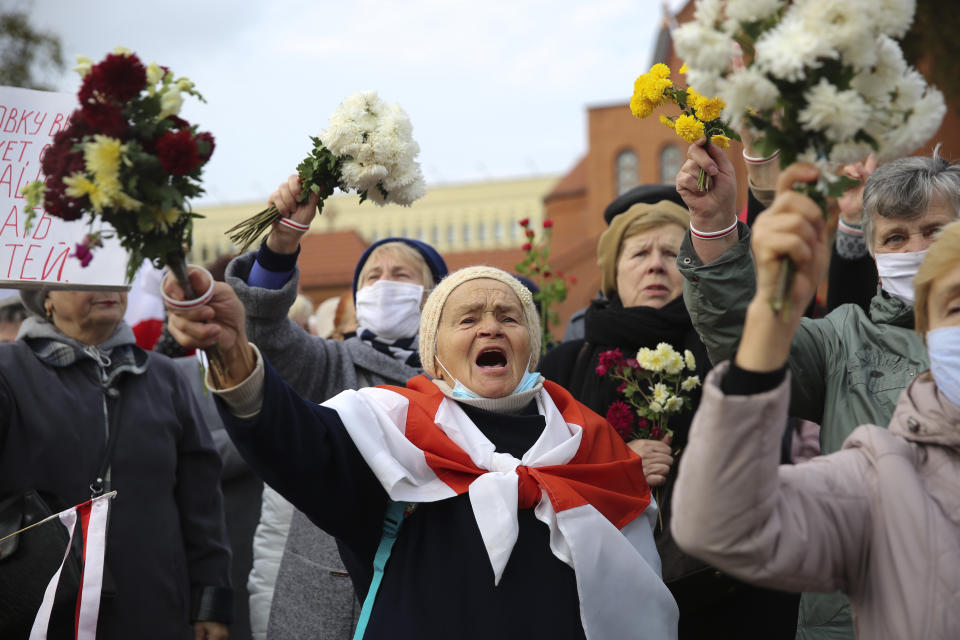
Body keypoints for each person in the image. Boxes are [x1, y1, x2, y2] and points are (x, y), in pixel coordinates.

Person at [166, 264, 678, 639]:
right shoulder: (386, 431)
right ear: (433, 353)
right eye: (467, 318)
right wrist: (232, 353)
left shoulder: (596, 448)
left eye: (508, 316)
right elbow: (294, 442)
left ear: (532, 344)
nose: (491, 327)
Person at [676, 144, 958, 638]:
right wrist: (716, 222)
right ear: (872, 254)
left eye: (935, 231)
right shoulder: (842, 340)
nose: (917, 249)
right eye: (895, 237)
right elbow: (747, 333)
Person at [540, 197, 798, 638]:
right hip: (602, 598)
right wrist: (615, 467)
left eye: (672, 254)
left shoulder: (730, 350)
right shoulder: (564, 366)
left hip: (731, 594)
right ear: (612, 275)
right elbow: (534, 477)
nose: (656, 266)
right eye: (639, 253)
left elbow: (766, 445)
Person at [226, 174, 448, 639]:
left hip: (430, 585)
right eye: (372, 277)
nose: (384, 286)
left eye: (402, 276)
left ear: (435, 298)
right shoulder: (332, 364)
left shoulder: (459, 384)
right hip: (328, 602)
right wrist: (281, 244)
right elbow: (264, 332)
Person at [0, 287, 232, 639]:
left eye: (113, 276)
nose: (106, 288)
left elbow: (201, 502)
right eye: (84, 278)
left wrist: (210, 602)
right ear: (46, 298)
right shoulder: (8, 373)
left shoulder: (165, 377)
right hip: (43, 614)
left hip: (154, 609)